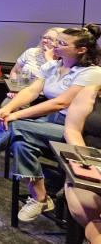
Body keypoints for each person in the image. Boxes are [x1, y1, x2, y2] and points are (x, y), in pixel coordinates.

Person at [0, 25, 101, 222]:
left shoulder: (91, 72)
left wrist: (16, 115)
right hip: (47, 121)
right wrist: (8, 109)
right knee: (20, 142)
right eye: (56, 41)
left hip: (73, 128)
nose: (55, 46)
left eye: (62, 43)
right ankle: (41, 198)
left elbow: (61, 103)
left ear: (81, 50)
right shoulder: (52, 66)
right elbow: (31, 91)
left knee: (16, 126)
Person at [63, 85, 101, 243]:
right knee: (87, 207)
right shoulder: (91, 92)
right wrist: (88, 162)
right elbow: (72, 130)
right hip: (87, 167)